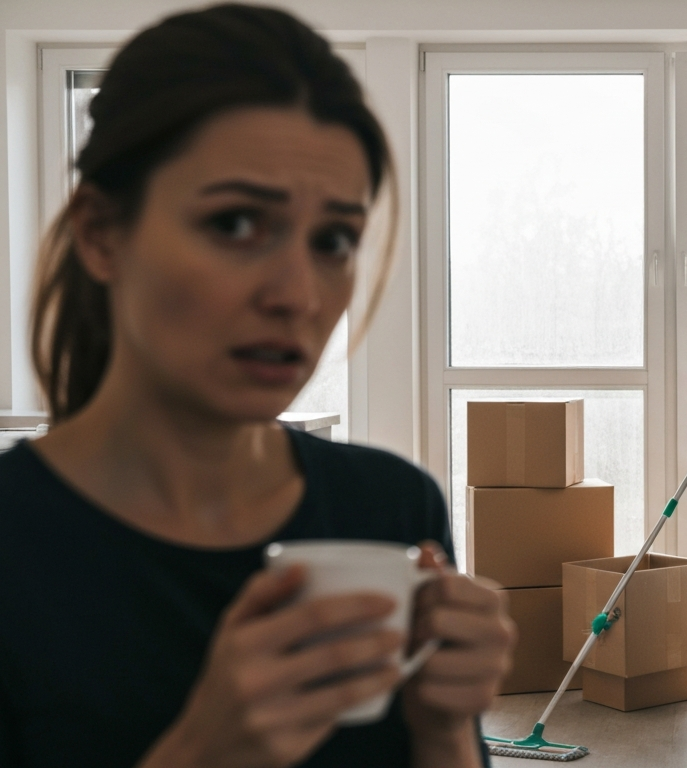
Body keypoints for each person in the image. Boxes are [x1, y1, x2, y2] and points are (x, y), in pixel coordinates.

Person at [0, 6, 514, 767]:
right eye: (236, 224)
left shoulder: (391, 508)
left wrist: (444, 729)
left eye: (333, 239)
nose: (297, 295)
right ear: (102, 234)